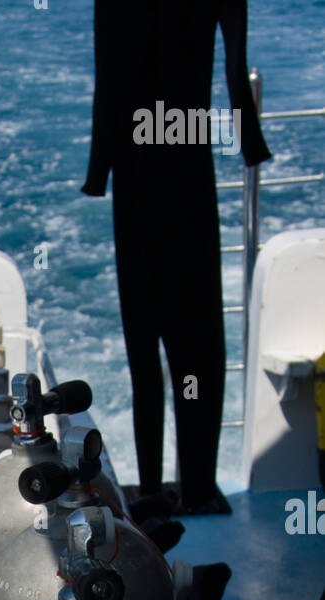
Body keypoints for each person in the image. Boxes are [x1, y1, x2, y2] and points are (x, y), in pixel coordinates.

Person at [82, 1, 271, 515]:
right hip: (187, 163)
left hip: (135, 172)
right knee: (200, 343)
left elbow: (108, 82)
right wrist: (249, 141)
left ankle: (148, 490)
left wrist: (99, 172)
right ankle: (201, 487)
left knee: (145, 344)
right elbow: (235, 65)